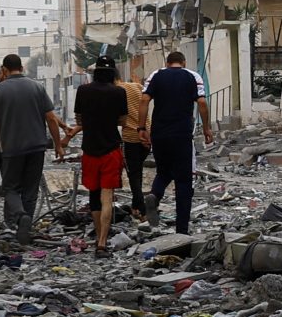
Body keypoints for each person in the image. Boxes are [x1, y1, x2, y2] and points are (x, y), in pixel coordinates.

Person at [0, 55, 66, 241]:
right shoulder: (37, 88)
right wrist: (58, 144)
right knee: (31, 191)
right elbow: (51, 118)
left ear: (5, 69)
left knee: (11, 189)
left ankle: (20, 217)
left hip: (11, 149)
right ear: (22, 67)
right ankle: (26, 230)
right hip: (37, 148)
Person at [142, 49, 212, 236]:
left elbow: (144, 99)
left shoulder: (156, 75)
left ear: (167, 63)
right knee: (184, 181)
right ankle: (181, 230)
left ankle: (155, 196)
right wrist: (206, 128)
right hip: (182, 135)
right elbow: (202, 104)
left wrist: (142, 128)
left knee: (163, 172)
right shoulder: (193, 76)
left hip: (159, 135)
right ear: (183, 63)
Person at [71, 58, 131, 255]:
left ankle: (98, 237)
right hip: (111, 150)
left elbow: (79, 119)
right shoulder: (119, 92)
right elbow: (122, 120)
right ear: (113, 73)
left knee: (94, 196)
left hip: (89, 150)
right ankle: (102, 243)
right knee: (107, 197)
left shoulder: (83, 91)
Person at [120, 71, 152, 221]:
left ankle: (144, 211)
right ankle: (136, 207)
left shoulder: (116, 92)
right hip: (146, 134)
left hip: (131, 137)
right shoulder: (136, 86)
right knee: (137, 172)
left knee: (133, 175)